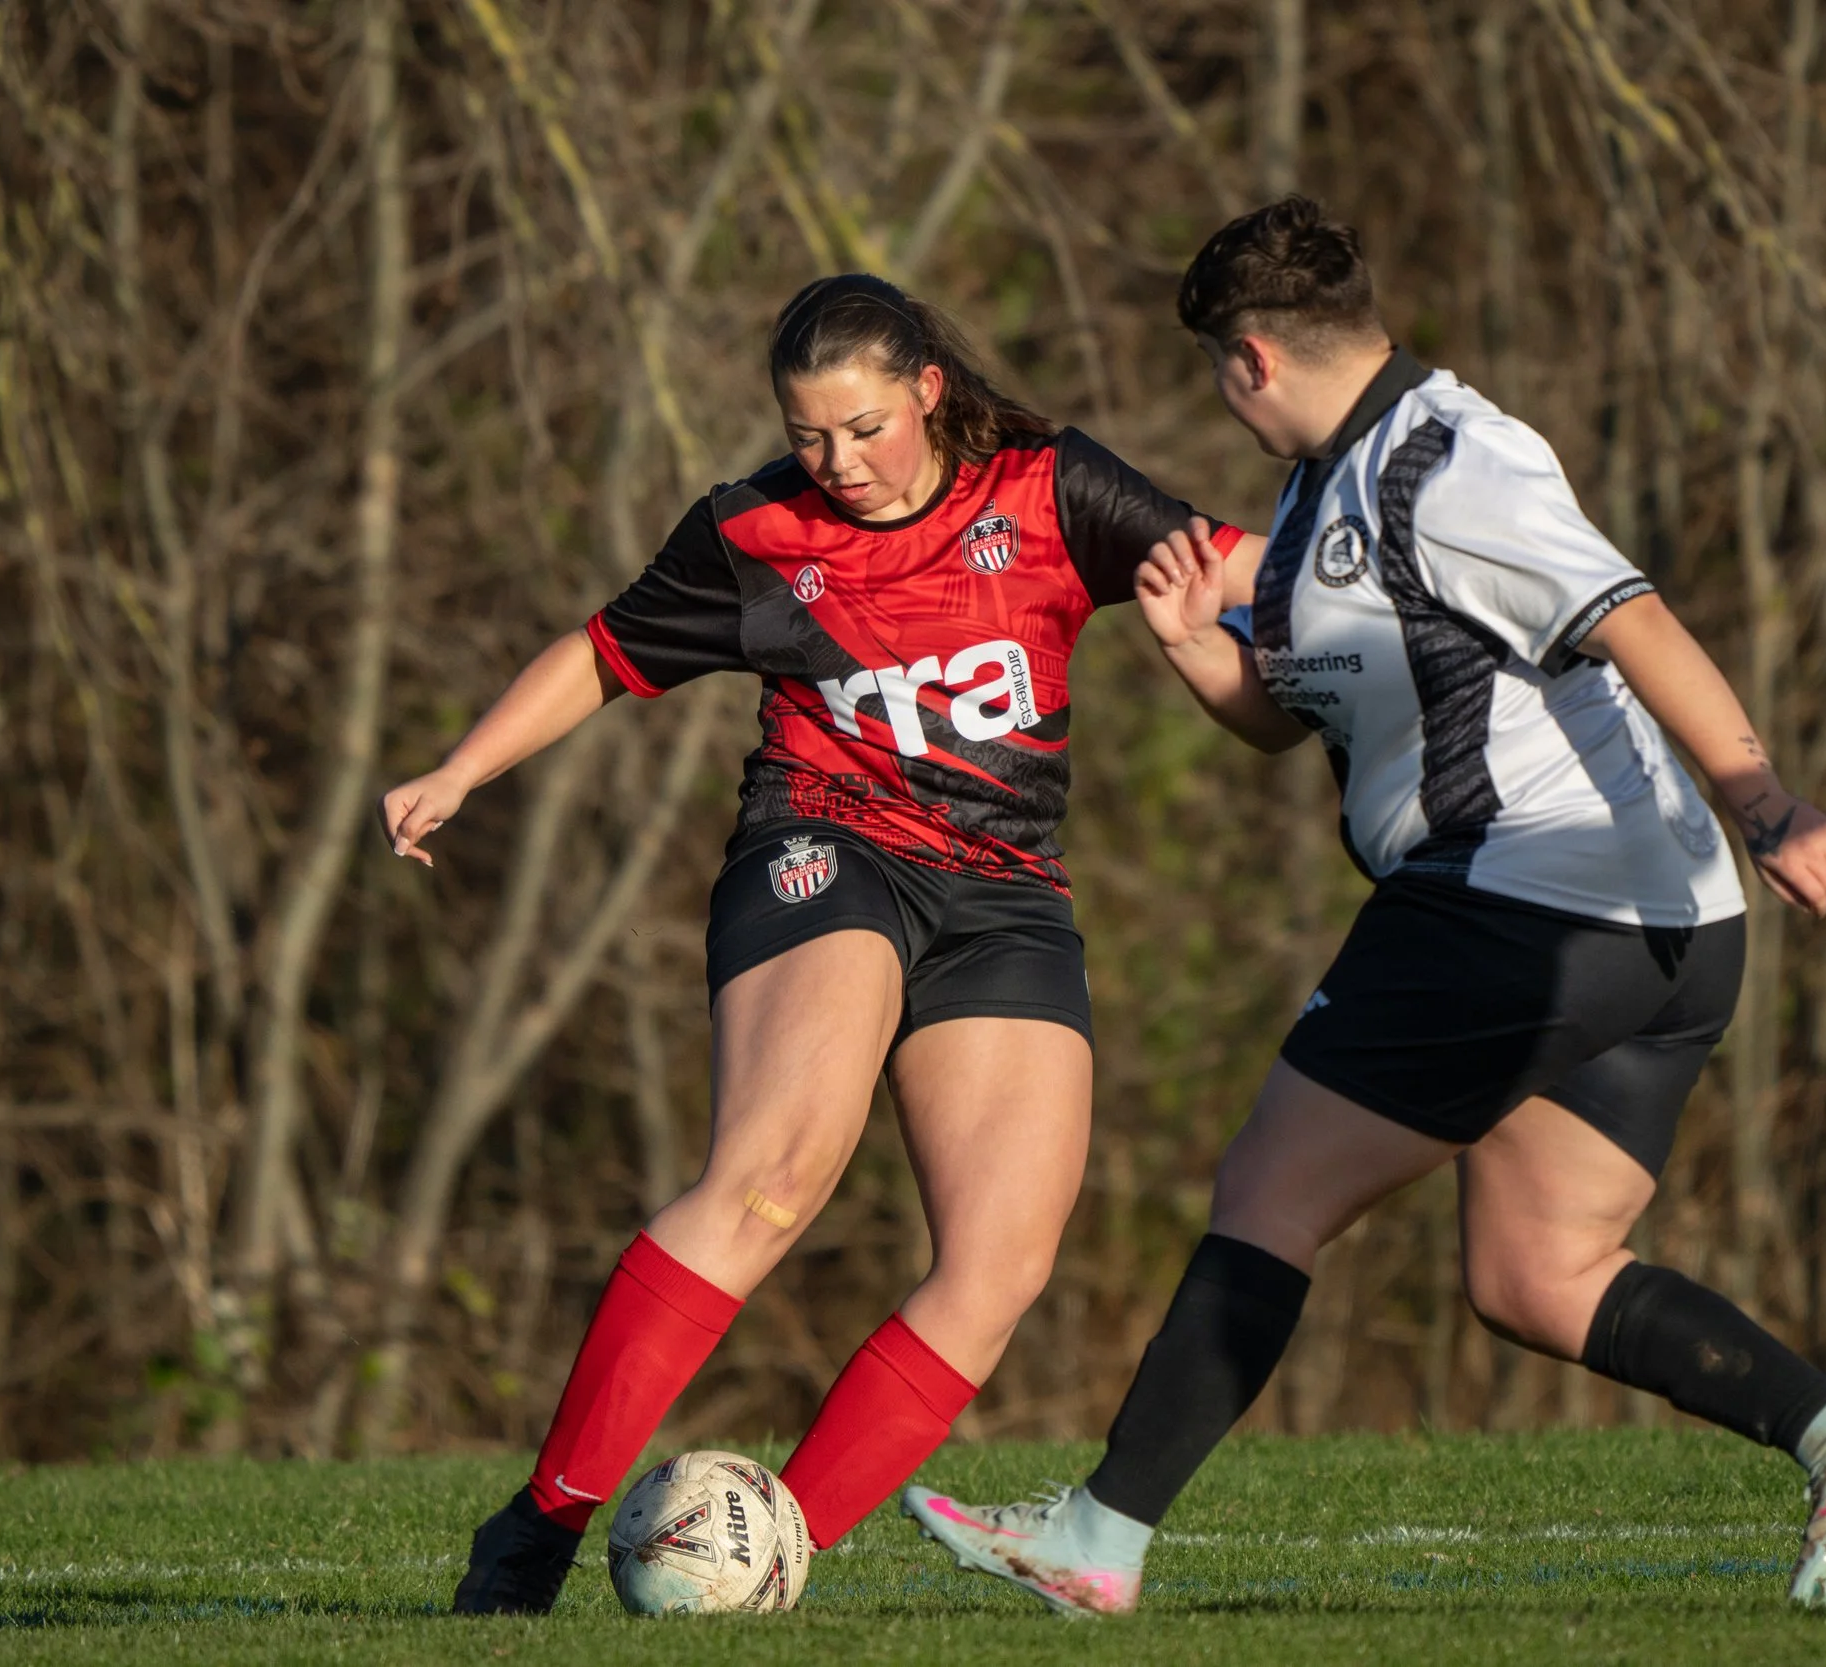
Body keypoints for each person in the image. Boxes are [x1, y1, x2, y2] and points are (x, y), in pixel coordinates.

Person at [905, 198, 1826, 1617]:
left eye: (1218, 367)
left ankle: (1100, 1534)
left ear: (1252, 361)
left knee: (1271, 1186)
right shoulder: (1318, 499)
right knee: (1535, 1267)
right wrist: (1199, 650)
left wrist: (1765, 797)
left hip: (1530, 894)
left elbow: (1628, 614)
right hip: (1649, 931)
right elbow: (1292, 723)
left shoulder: (1451, 462)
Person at [382, 273, 1262, 1613]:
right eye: (809, 435)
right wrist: (460, 768)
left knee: (1001, 1262)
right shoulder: (754, 529)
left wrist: (1384, 631)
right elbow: (604, 652)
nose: (836, 463)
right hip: (826, 852)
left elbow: (1239, 571)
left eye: (862, 428)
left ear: (930, 392)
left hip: (1007, 891)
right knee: (773, 1175)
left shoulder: (1049, 486)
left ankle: (772, 1558)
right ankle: (539, 1526)